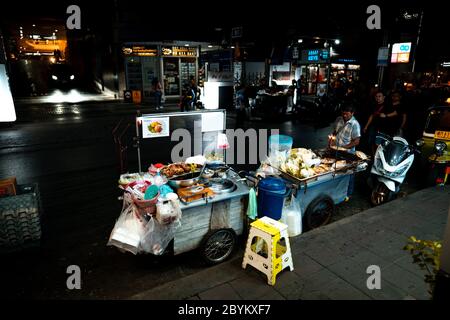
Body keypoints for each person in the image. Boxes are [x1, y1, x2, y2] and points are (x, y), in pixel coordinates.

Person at [329, 104, 361, 199]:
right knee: (336, 170)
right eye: (343, 114)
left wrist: (344, 148)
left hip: (348, 153)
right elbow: (334, 132)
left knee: (349, 173)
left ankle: (348, 194)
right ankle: (337, 191)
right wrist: (330, 141)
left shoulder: (355, 124)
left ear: (352, 113)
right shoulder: (339, 119)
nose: (345, 116)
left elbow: (356, 141)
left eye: (347, 114)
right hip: (336, 150)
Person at [363, 90, 387, 154]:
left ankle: (378, 157)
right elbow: (371, 116)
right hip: (373, 127)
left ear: (384, 97)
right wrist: (366, 126)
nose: (377, 98)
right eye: (376, 96)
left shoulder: (387, 105)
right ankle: (374, 157)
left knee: (378, 144)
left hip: (383, 128)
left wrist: (386, 115)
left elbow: (395, 113)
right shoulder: (374, 105)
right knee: (371, 143)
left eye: (379, 96)